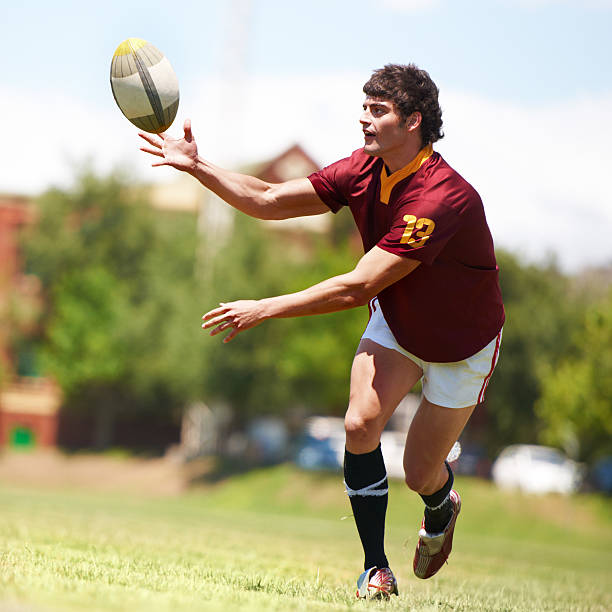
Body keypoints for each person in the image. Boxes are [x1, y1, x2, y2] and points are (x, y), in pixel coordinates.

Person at [138, 63, 504, 599]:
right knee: (359, 424)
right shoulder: (362, 170)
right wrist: (199, 167)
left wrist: (264, 307)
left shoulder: (441, 198)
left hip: (461, 348)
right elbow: (264, 199)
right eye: (364, 107)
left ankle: (440, 502)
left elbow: (358, 287)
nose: (364, 119)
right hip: (401, 325)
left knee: (419, 471)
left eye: (377, 111)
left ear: (413, 122)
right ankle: (376, 569)